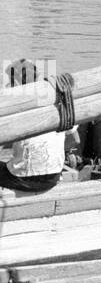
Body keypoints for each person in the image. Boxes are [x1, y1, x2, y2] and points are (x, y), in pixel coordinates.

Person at [0, 60, 79, 193]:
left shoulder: (14, 107)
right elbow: (75, 141)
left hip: (24, 179)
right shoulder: (59, 104)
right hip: (52, 178)